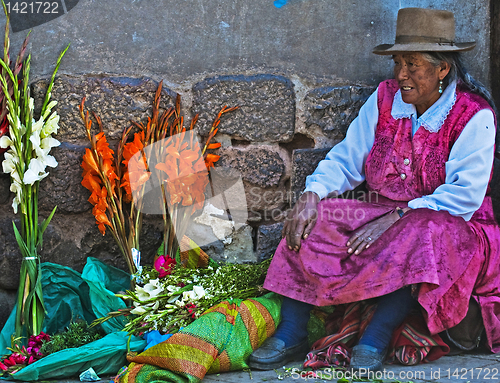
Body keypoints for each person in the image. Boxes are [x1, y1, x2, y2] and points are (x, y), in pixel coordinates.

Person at [248, 7, 500, 372]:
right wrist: (313, 194)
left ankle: (375, 336)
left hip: (450, 223)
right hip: (381, 211)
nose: (401, 75)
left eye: (413, 65)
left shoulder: (473, 115)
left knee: (421, 233)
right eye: (399, 63)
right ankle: (291, 331)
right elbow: (348, 160)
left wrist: (398, 217)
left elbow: (463, 196)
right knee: (320, 218)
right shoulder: (385, 100)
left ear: (442, 69)